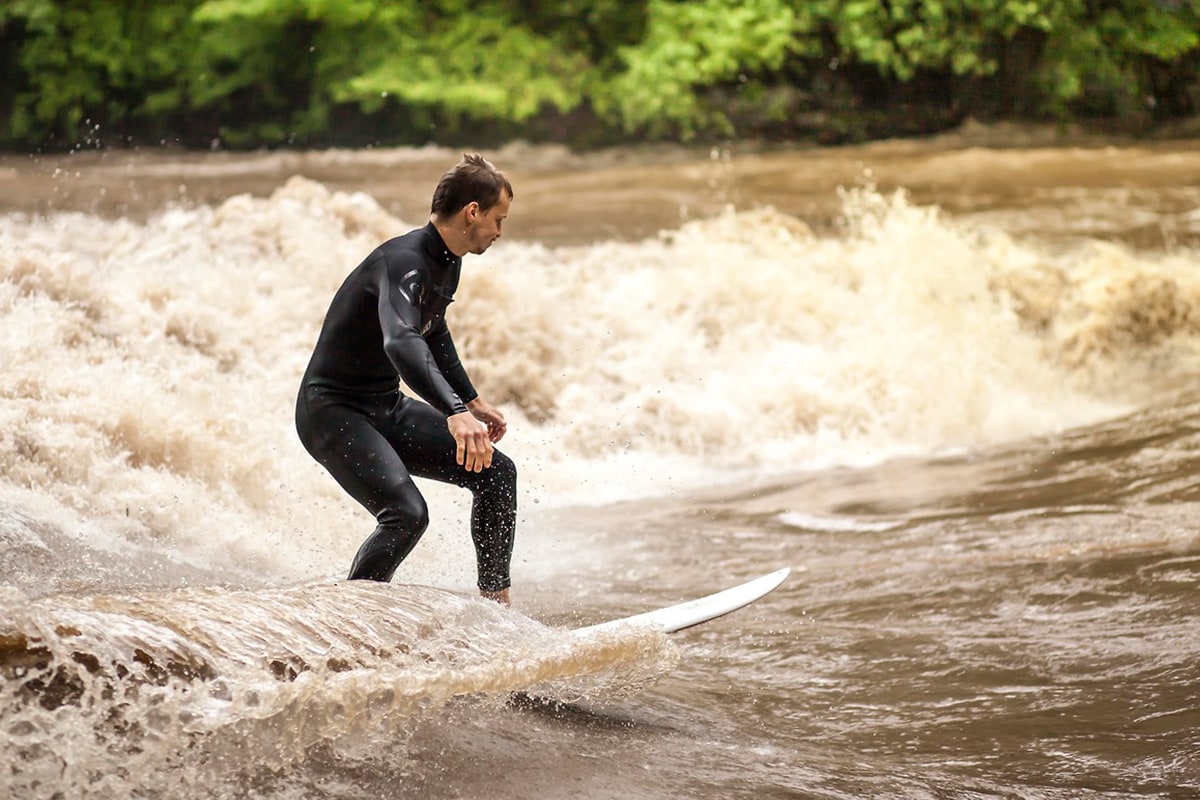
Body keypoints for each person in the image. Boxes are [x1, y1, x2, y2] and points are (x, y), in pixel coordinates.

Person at [295, 153, 517, 606]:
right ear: (472, 212)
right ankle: (351, 620)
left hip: (381, 406)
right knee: (406, 514)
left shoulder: (447, 261)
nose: (499, 232)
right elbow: (401, 340)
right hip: (331, 411)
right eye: (498, 220)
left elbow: (433, 330)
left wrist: (471, 401)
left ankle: (497, 609)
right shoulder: (404, 261)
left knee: (497, 474)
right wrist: (453, 413)